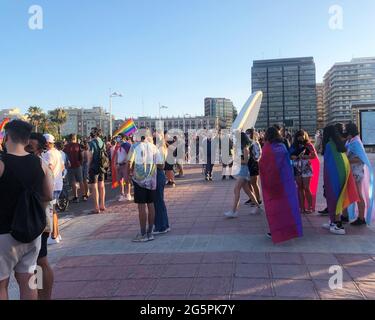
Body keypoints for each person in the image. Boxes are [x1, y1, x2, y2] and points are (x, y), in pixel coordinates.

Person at [0, 120, 54, 300]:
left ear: (6, 137)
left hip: (4, 233)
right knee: (30, 280)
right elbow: (48, 195)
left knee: (2, 284)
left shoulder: (2, 163)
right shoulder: (39, 163)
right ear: (26, 139)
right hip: (32, 233)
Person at [259, 127, 303, 243]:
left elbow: (265, 165)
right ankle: (288, 228)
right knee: (285, 205)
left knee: (275, 207)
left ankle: (276, 230)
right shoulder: (282, 146)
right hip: (284, 181)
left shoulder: (267, 148)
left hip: (273, 182)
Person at [25, 133, 54, 300]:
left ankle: (44, 296)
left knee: (40, 263)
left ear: (40, 150)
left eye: (30, 148)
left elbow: (48, 195)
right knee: (34, 265)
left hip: (39, 221)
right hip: (32, 220)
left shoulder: (41, 165)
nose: (27, 151)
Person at [321, 125, 359, 235]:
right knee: (338, 197)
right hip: (342, 174)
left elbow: (329, 164)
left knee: (334, 198)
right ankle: (333, 221)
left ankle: (336, 224)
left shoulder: (329, 145)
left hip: (333, 175)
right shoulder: (339, 144)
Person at [128, 132, 162, 242]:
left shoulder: (134, 146)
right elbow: (161, 165)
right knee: (151, 205)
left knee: (141, 206)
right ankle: (150, 232)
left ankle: (143, 234)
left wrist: (130, 174)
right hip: (152, 181)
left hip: (139, 181)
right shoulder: (154, 147)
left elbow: (129, 162)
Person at [224, 132, 261, 218]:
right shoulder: (242, 147)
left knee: (236, 189)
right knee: (247, 191)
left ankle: (234, 211)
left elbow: (246, 161)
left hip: (244, 170)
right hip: (242, 170)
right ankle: (257, 206)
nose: (235, 140)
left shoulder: (245, 148)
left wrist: (235, 160)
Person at [345, 123, 374, 226]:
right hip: (354, 172)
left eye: (346, 132)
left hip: (356, 172)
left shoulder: (356, 142)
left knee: (358, 195)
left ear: (350, 132)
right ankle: (359, 217)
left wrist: (347, 160)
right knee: (356, 194)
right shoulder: (353, 141)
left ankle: (361, 218)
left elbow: (361, 158)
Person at [289, 130, 320, 214]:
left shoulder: (309, 145)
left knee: (306, 187)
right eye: (299, 135)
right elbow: (290, 155)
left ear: (305, 136)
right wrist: (294, 157)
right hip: (297, 168)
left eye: (302, 135)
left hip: (306, 168)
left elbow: (313, 156)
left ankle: (310, 207)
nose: (301, 137)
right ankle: (302, 207)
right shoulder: (293, 146)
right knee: (300, 188)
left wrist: (305, 156)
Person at [42, 134, 65, 245]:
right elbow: (62, 167)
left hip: (52, 185)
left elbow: (49, 168)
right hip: (58, 184)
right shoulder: (57, 152)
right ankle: (57, 234)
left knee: (52, 211)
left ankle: (54, 235)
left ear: (47, 142)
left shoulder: (48, 154)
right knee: (54, 210)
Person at [153, 135, 170, 235]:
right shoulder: (163, 148)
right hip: (160, 175)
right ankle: (164, 225)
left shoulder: (158, 149)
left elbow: (161, 165)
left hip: (158, 174)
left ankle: (161, 226)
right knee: (160, 202)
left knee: (158, 202)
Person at [88, 128, 107, 214]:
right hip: (102, 166)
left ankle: (96, 207)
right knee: (102, 185)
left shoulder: (92, 143)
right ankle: (102, 205)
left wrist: (88, 165)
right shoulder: (102, 142)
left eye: (92, 132)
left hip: (94, 166)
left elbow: (90, 155)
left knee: (94, 187)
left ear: (94, 133)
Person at [64, 134, 86, 202]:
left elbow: (65, 157)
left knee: (73, 182)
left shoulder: (66, 147)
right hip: (78, 165)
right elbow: (81, 156)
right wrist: (81, 163)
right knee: (81, 181)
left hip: (70, 167)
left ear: (69, 139)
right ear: (75, 138)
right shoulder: (78, 145)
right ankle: (84, 196)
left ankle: (75, 197)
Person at [111, 135, 132, 202]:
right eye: (117, 137)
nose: (118, 138)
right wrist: (115, 163)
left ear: (123, 138)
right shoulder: (118, 146)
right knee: (119, 180)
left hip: (125, 165)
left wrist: (127, 162)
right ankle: (122, 194)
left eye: (119, 137)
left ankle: (128, 194)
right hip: (119, 165)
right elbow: (117, 155)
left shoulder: (127, 145)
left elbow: (130, 154)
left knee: (126, 180)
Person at [245, 128, 262, 206]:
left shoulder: (255, 143)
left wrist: (255, 159)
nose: (247, 134)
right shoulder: (246, 143)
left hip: (254, 164)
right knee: (248, 182)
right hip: (247, 164)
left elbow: (259, 154)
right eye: (246, 133)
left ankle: (258, 199)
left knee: (254, 183)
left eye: (248, 133)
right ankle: (252, 198)